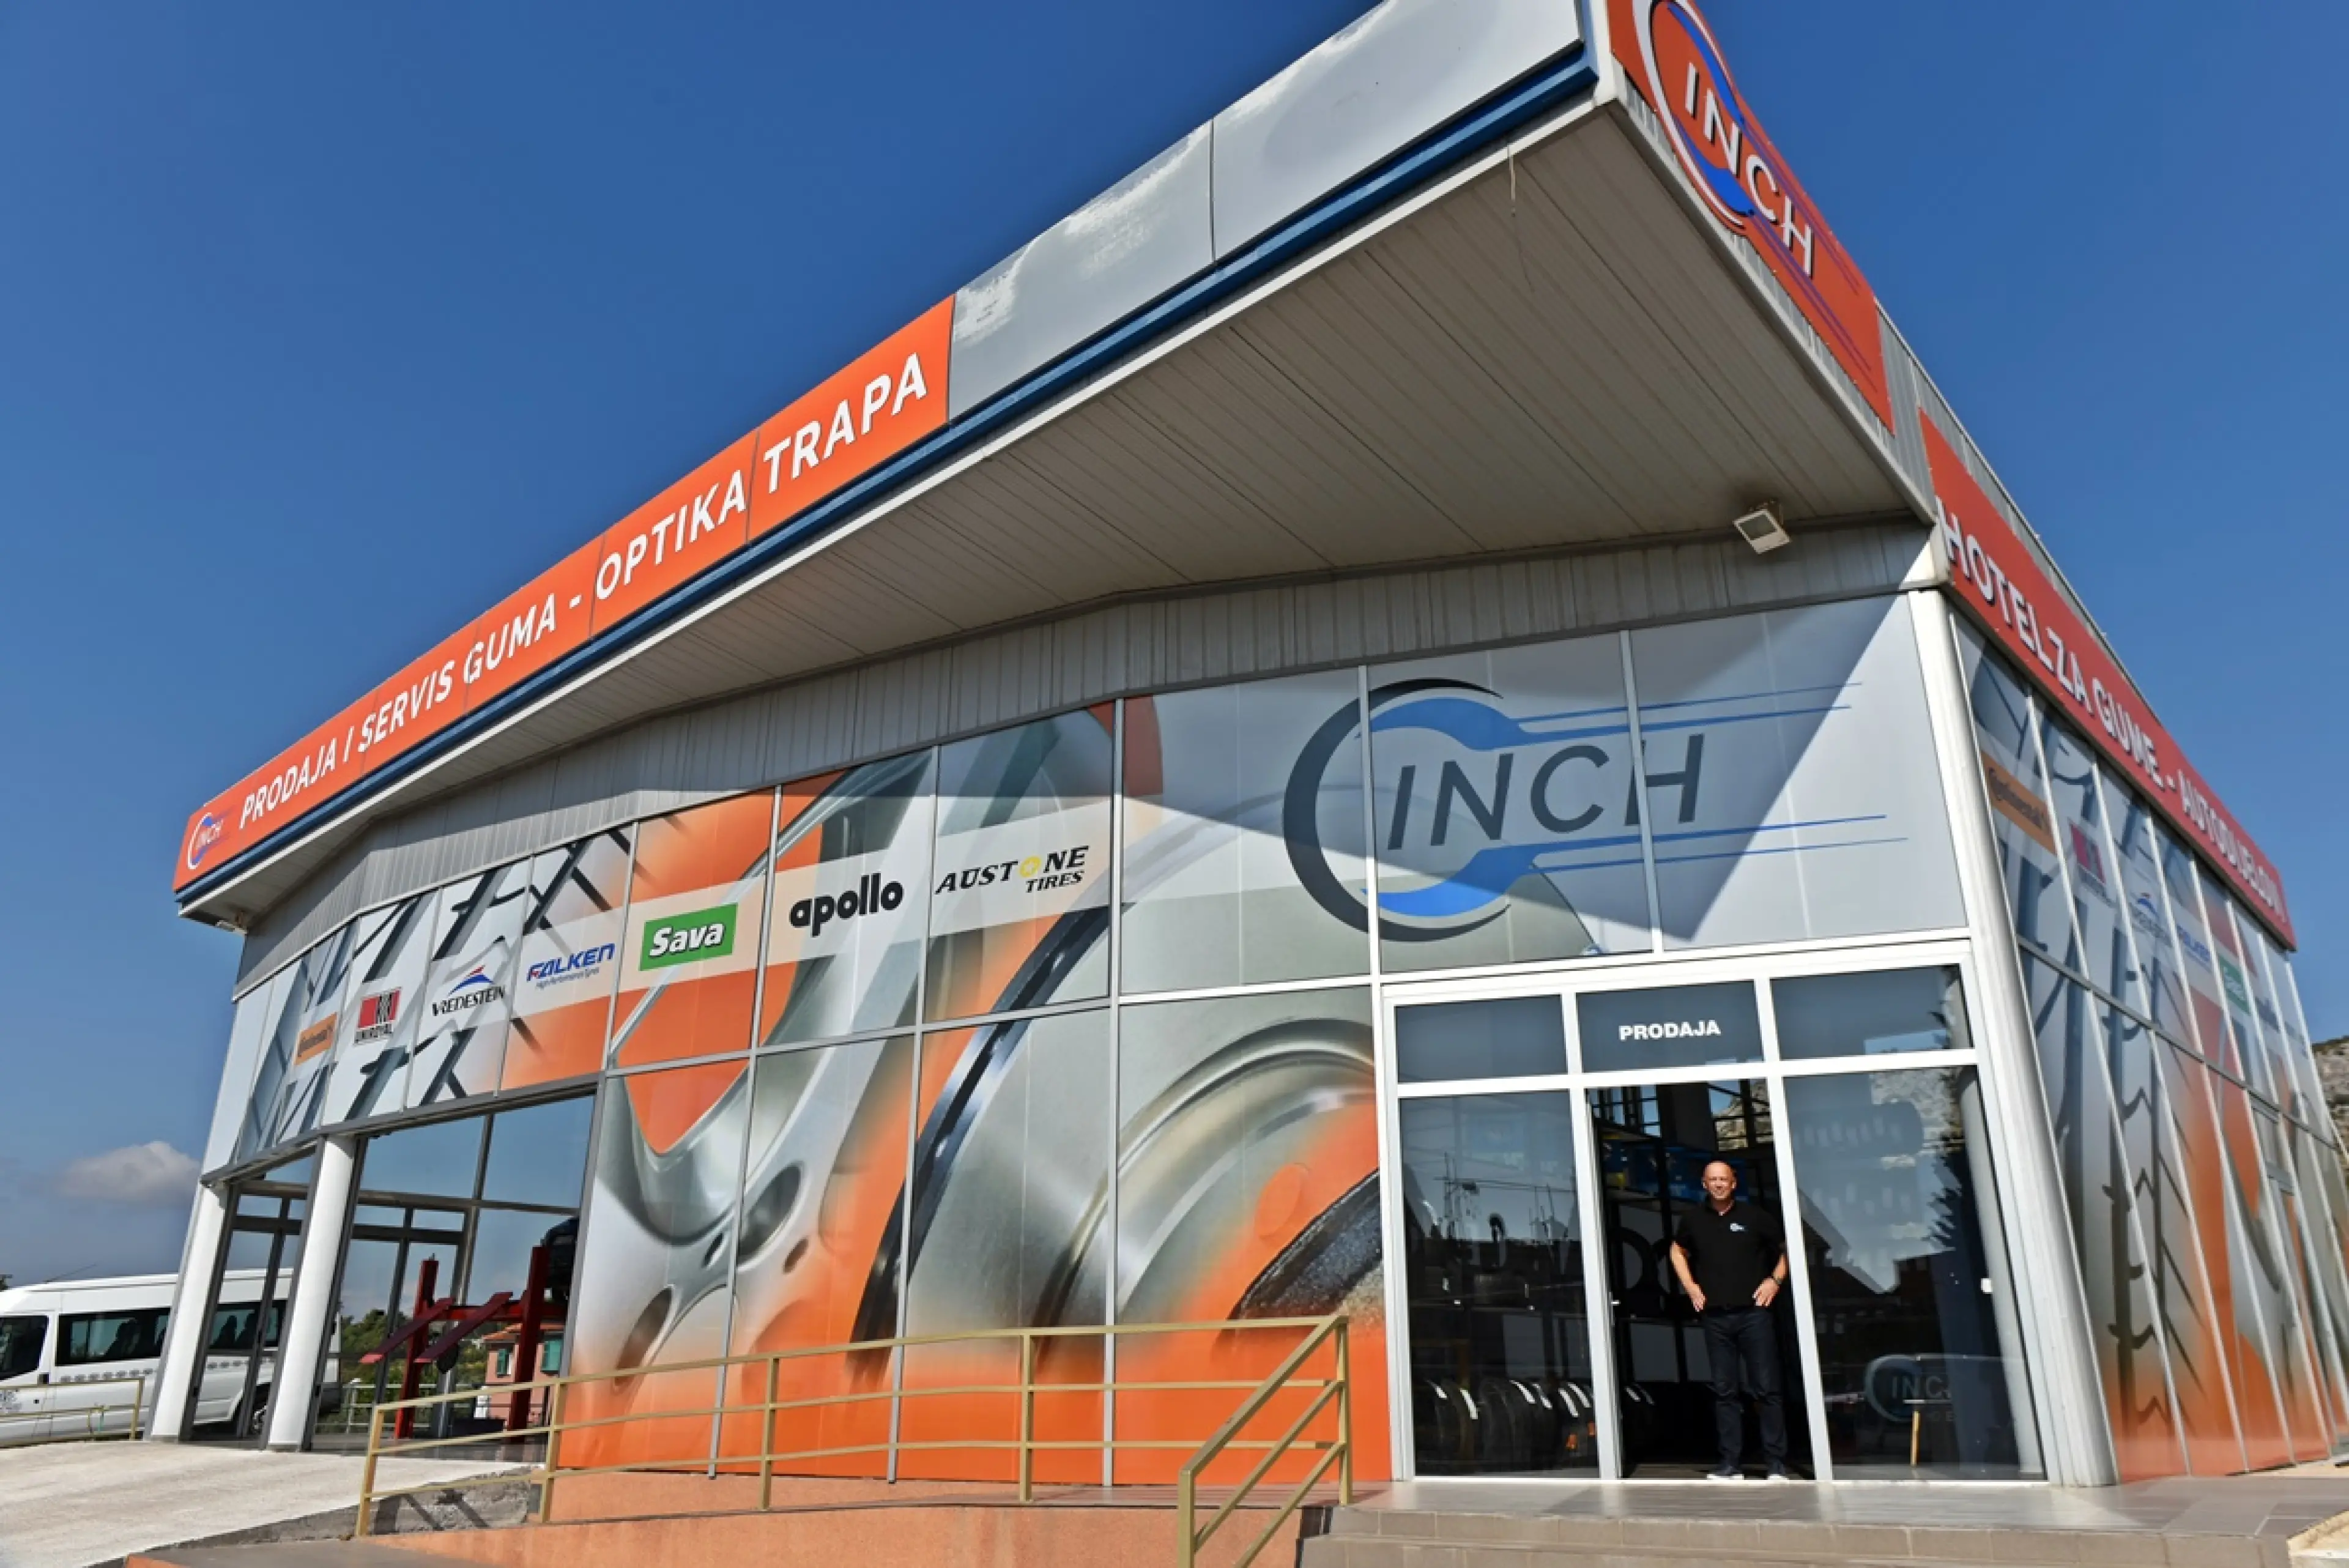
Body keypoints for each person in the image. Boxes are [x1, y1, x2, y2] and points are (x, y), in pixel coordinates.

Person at [1669, 1159, 1791, 1480]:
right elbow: (1677, 1251)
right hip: (1715, 1317)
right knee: (1725, 1392)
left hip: (1754, 1315)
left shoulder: (1756, 1217)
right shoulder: (1693, 1220)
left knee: (1766, 1389)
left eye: (1724, 1179)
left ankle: (1776, 1464)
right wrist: (1691, 1287)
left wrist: (1775, 1281)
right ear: (1704, 1184)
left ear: (1734, 1183)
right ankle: (1730, 1464)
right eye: (1713, 1180)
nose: (1719, 1184)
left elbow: (1787, 1249)